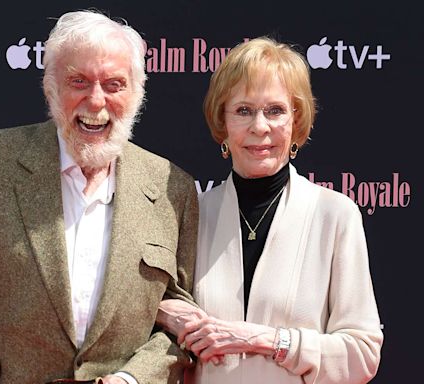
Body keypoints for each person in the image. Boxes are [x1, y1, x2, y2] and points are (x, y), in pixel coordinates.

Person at [0, 10, 198, 384]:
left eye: (114, 84)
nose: (96, 101)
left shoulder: (172, 187)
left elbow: (179, 324)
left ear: (136, 93)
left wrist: (132, 379)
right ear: (51, 87)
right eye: (78, 81)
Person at [156, 37, 383, 383]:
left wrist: (268, 340)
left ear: (296, 120)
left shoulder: (335, 215)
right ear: (223, 124)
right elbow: (135, 313)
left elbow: (362, 355)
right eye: (244, 111)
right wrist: (164, 315)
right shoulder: (193, 215)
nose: (259, 127)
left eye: (275, 110)